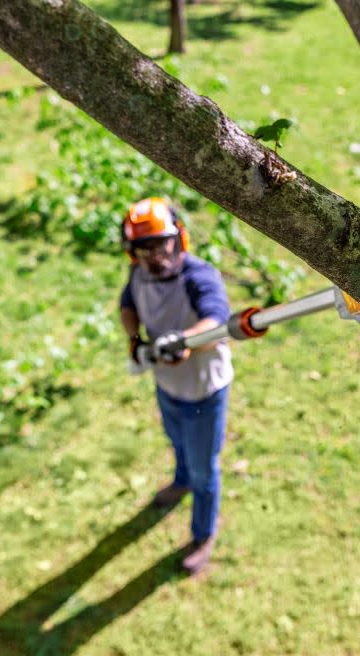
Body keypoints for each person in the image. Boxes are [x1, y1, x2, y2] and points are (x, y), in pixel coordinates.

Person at [118, 196, 234, 576]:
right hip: (167, 385)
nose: (154, 255)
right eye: (143, 248)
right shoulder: (139, 276)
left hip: (204, 391)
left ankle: (203, 535)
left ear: (178, 238)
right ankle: (180, 481)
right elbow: (128, 304)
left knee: (205, 469)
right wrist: (135, 339)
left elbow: (216, 323)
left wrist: (185, 341)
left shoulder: (199, 277)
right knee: (177, 441)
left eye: (160, 243)